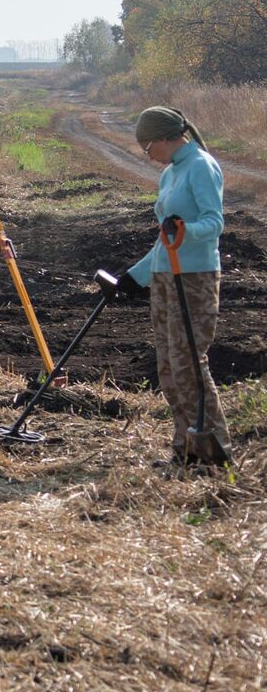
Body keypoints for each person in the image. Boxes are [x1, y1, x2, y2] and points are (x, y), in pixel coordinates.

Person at [103, 107, 230, 466]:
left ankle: (215, 451)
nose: (148, 155)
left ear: (163, 138)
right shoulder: (171, 173)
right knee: (169, 368)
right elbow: (164, 238)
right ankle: (185, 450)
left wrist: (186, 230)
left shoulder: (201, 166)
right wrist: (134, 276)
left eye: (147, 148)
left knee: (189, 363)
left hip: (194, 278)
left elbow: (214, 222)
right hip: (163, 277)